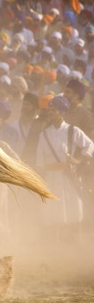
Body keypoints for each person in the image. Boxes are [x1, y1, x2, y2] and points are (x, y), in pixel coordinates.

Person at [35, 95, 94, 241]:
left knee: (72, 211)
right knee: (53, 212)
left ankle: (74, 244)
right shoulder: (45, 134)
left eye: (54, 110)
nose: (51, 113)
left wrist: (78, 160)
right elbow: (39, 160)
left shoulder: (72, 131)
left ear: (61, 112)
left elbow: (90, 145)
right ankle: (55, 245)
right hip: (51, 177)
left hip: (68, 177)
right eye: (50, 110)